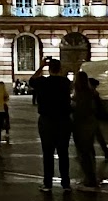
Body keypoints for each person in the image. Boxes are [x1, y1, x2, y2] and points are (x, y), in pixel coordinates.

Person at [28, 59, 74, 192]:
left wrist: (41, 66)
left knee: (47, 153)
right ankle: (66, 184)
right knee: (63, 153)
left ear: (49, 69)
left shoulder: (43, 82)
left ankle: (47, 184)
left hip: (47, 121)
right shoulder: (65, 82)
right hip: (63, 121)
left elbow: (31, 81)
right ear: (59, 69)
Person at [70, 73, 103, 187]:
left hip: (81, 125)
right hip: (91, 124)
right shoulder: (91, 93)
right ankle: (91, 176)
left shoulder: (80, 94)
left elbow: (80, 110)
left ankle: (90, 178)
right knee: (89, 151)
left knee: (83, 153)